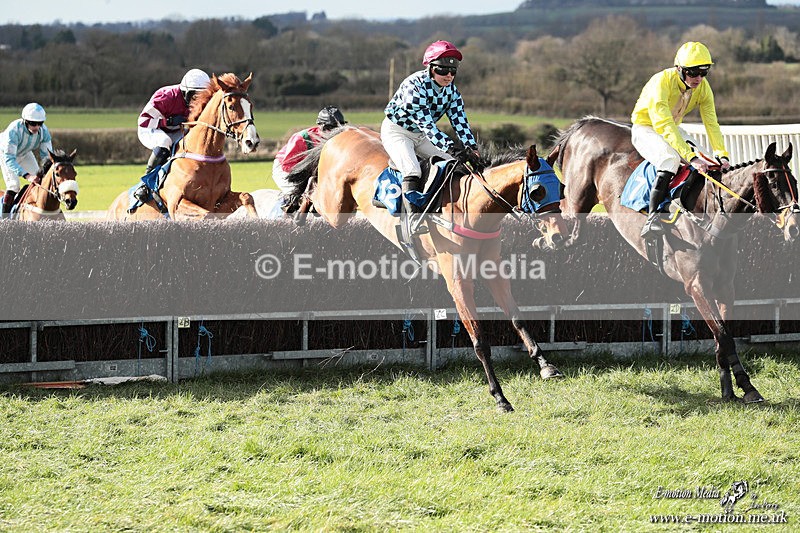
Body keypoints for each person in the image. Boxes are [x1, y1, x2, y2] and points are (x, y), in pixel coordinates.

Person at [631, 41, 731, 239]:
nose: (698, 78)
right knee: (670, 160)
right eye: (693, 72)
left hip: (673, 128)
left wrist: (721, 154)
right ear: (679, 69)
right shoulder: (661, 82)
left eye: (704, 72)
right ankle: (652, 218)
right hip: (646, 128)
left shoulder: (703, 87)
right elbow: (663, 125)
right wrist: (691, 157)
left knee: (709, 161)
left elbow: (711, 123)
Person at [381, 40, 481, 233]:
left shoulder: (452, 92)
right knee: (413, 170)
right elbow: (427, 125)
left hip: (421, 135)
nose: (449, 75)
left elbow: (460, 121)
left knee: (454, 164)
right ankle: (412, 220)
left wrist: (472, 148)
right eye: (443, 70)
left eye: (453, 71)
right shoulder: (414, 85)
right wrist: (451, 147)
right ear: (431, 68)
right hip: (397, 131)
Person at [272, 105, 347, 211]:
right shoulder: (302, 138)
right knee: (296, 194)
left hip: (310, 173)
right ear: (321, 126)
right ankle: (285, 212)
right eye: (331, 128)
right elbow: (287, 165)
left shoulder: (338, 140)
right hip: (285, 169)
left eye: (338, 129)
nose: (335, 133)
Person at [137, 68, 211, 176]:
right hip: (151, 129)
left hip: (175, 131)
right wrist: (168, 121)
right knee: (164, 141)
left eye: (203, 96)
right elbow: (143, 121)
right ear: (185, 93)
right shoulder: (166, 96)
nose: (198, 101)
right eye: (194, 96)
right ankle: (147, 180)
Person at [1, 103, 53, 217]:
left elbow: (47, 157)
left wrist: (45, 171)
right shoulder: (14, 130)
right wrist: (27, 176)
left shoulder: (44, 131)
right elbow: (10, 159)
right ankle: (4, 220)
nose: (37, 127)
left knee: (40, 181)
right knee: (14, 185)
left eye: (40, 123)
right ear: (25, 121)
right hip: (6, 155)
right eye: (33, 123)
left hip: (24, 153)